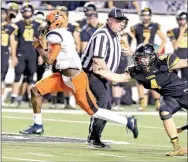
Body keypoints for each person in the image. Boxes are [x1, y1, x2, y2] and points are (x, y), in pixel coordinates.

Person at [19, 10, 138, 142]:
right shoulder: (63, 33)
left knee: (94, 111)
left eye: (48, 22)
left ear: (56, 22)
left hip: (76, 79)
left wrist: (38, 46)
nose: (47, 25)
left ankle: (127, 121)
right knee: (36, 91)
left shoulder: (56, 35)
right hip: (62, 76)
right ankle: (37, 125)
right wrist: (43, 40)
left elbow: (49, 60)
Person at [92, 43, 188, 156]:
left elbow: (185, 62)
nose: (141, 60)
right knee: (164, 112)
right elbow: (119, 77)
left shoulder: (164, 60)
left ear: (152, 56)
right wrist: (101, 71)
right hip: (168, 96)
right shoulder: (135, 71)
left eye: (144, 57)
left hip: (184, 92)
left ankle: (181, 129)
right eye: (139, 57)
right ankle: (177, 146)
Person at [81, 7, 128, 148]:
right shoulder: (102, 34)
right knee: (102, 103)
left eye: (123, 21)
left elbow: (111, 52)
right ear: (109, 20)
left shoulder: (115, 34)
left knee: (106, 105)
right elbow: (98, 59)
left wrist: (124, 52)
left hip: (102, 75)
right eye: (118, 21)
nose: (121, 24)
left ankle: (95, 137)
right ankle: (94, 138)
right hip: (93, 74)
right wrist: (111, 75)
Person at [130, 7, 166, 111]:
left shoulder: (154, 26)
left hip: (151, 56)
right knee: (140, 80)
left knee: (154, 79)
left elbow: (164, 39)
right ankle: (142, 103)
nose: (145, 17)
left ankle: (158, 103)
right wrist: (130, 50)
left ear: (150, 16)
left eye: (147, 15)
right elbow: (129, 38)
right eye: (144, 15)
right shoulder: (136, 27)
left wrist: (158, 50)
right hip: (140, 57)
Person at [9, 3, 41, 107]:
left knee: (31, 77)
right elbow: (14, 42)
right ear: (22, 12)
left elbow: (39, 40)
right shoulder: (17, 24)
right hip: (21, 53)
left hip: (32, 53)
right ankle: (14, 98)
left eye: (29, 11)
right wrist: (13, 56)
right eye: (25, 11)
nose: (27, 13)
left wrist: (41, 54)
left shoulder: (37, 24)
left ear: (32, 12)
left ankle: (30, 100)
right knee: (17, 76)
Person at [167, 11, 188, 82]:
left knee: (186, 80)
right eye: (179, 19)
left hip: (186, 58)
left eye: (182, 19)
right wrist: (181, 33)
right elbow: (175, 46)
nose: (180, 22)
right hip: (177, 58)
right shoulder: (172, 31)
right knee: (172, 79)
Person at [1, 7, 15, 106]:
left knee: (2, 77)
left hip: (4, 52)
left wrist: (14, 56)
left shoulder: (10, 27)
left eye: (3, 14)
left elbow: (13, 42)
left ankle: (1, 99)